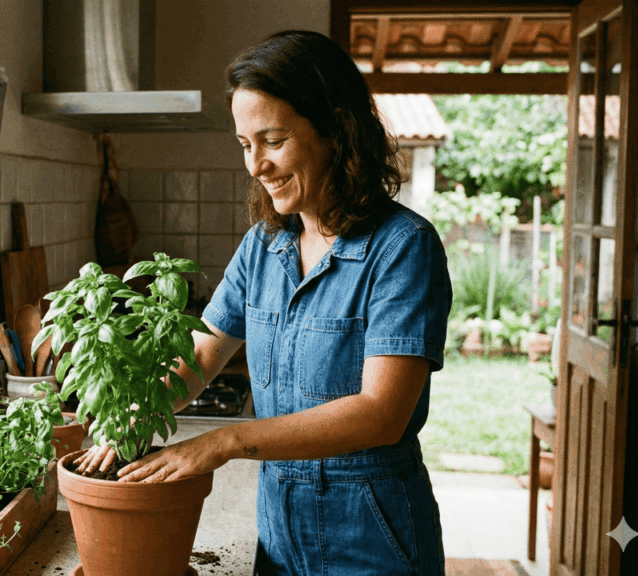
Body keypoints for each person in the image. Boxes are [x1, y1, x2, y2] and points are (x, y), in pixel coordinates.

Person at [76, 29, 451, 576]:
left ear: (336, 129)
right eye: (245, 145)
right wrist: (132, 417)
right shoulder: (263, 246)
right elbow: (201, 355)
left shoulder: (403, 248)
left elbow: (381, 414)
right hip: (279, 534)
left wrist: (224, 440)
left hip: (371, 539)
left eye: (273, 141)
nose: (255, 165)